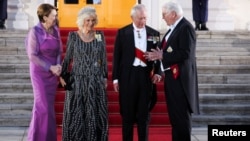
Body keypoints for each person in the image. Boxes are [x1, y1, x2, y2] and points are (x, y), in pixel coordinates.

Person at [144, 1, 200, 141]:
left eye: (164, 15)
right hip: (172, 79)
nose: (163, 18)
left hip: (181, 80)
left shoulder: (185, 28)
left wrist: (162, 55)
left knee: (181, 117)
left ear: (173, 14)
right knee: (175, 118)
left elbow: (186, 53)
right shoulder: (175, 28)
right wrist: (160, 68)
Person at [112, 4, 161, 141]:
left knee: (143, 116)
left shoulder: (154, 34)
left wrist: (158, 73)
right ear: (132, 17)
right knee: (127, 115)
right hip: (128, 77)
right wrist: (115, 79)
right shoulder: (123, 33)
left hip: (146, 76)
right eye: (140, 18)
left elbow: (159, 56)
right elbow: (117, 57)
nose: (143, 21)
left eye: (145, 18)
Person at [60, 6, 108, 141]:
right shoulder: (73, 36)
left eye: (93, 20)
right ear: (82, 21)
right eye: (88, 20)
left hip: (95, 80)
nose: (91, 23)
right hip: (78, 81)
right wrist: (63, 76)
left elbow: (102, 58)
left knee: (95, 115)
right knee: (76, 115)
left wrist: (104, 76)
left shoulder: (99, 35)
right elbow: (68, 57)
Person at [25, 3, 62, 141]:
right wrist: (50, 67)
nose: (55, 17)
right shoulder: (34, 32)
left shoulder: (56, 30)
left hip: (53, 74)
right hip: (39, 73)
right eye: (53, 15)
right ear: (45, 17)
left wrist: (58, 65)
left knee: (48, 108)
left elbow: (59, 50)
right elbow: (32, 55)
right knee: (42, 107)